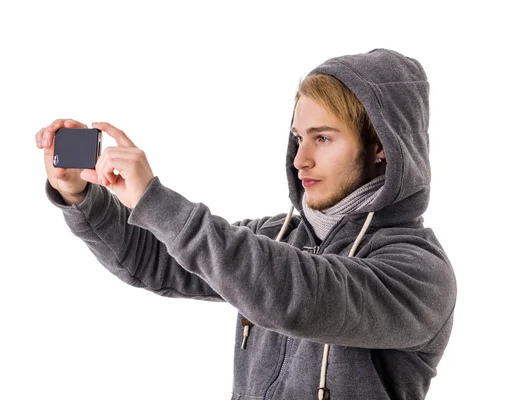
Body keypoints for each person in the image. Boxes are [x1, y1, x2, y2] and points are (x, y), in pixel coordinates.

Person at [36, 48, 456, 399]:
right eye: (298, 138)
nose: (299, 159)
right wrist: (81, 195)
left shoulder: (419, 272)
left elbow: (296, 293)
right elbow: (155, 259)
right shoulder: (280, 236)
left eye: (322, 138)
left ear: (381, 147)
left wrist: (155, 200)